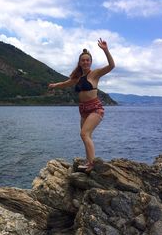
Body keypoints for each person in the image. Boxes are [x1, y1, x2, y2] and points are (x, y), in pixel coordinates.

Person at [48, 38, 115, 172]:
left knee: (84, 134)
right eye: (83, 60)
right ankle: (89, 161)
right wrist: (55, 85)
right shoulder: (77, 78)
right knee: (87, 136)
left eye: (87, 60)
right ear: (79, 62)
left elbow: (111, 66)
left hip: (95, 108)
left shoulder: (95, 73)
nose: (85, 62)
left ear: (90, 62)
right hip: (83, 110)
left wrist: (105, 50)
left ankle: (91, 164)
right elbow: (66, 83)